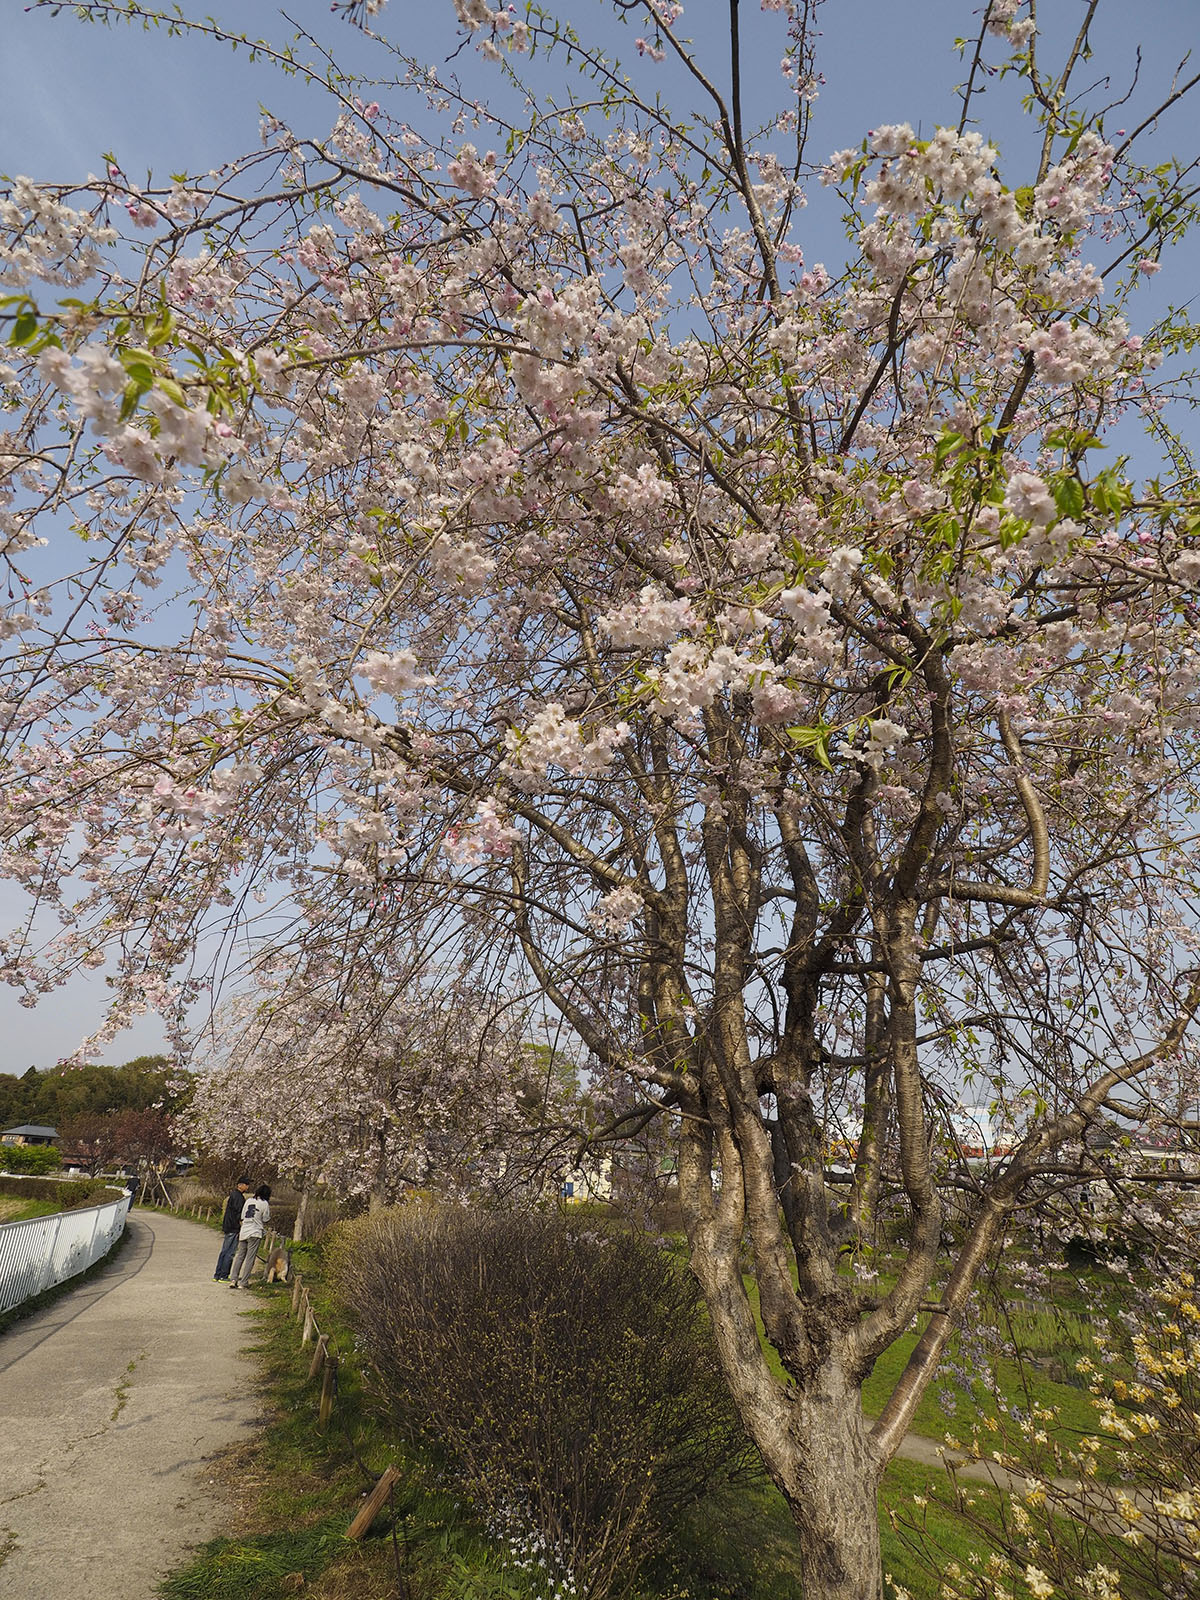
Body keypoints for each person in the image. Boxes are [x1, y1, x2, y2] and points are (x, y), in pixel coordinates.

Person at [229, 1185, 271, 1289]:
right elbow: (265, 1218)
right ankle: (243, 1282)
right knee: (250, 1258)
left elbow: (243, 1216)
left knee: (240, 1256)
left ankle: (233, 1279)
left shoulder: (248, 1201)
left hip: (244, 1231)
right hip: (255, 1232)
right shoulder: (264, 1203)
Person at [214, 1176, 252, 1281]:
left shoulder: (233, 1195)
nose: (248, 1186)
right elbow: (239, 1214)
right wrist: (241, 1224)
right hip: (233, 1227)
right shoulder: (239, 1197)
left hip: (228, 1226)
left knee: (224, 1251)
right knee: (230, 1252)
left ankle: (217, 1274)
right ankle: (224, 1275)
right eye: (246, 1184)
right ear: (240, 1185)